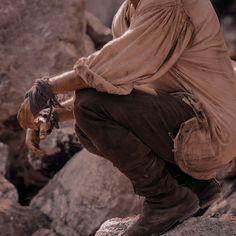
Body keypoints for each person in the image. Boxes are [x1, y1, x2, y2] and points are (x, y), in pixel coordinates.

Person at [17, 0, 236, 235]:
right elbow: (118, 84)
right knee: (87, 116)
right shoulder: (129, 11)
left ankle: (166, 199)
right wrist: (53, 115)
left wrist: (45, 90)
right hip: (192, 116)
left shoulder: (169, 5)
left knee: (90, 106)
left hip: (212, 128)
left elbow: (109, 72)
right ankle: (191, 186)